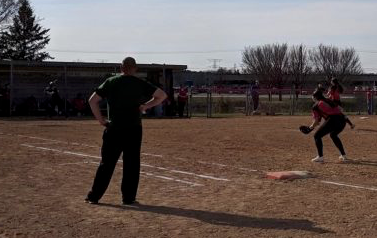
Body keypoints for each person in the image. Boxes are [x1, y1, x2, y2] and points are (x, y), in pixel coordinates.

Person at [85, 57, 167, 205]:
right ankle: (128, 198)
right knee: (132, 164)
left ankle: (94, 196)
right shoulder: (139, 83)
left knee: (107, 164)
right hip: (134, 129)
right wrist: (145, 106)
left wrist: (101, 120)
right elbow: (162, 96)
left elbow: (92, 100)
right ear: (135, 69)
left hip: (114, 128)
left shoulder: (111, 82)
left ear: (121, 68)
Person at [308, 89, 349, 163]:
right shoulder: (328, 100)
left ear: (315, 97)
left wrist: (310, 127)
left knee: (317, 136)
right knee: (333, 135)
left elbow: (316, 121)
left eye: (313, 96)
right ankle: (343, 155)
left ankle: (320, 157)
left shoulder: (316, 105)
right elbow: (341, 109)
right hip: (342, 120)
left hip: (333, 119)